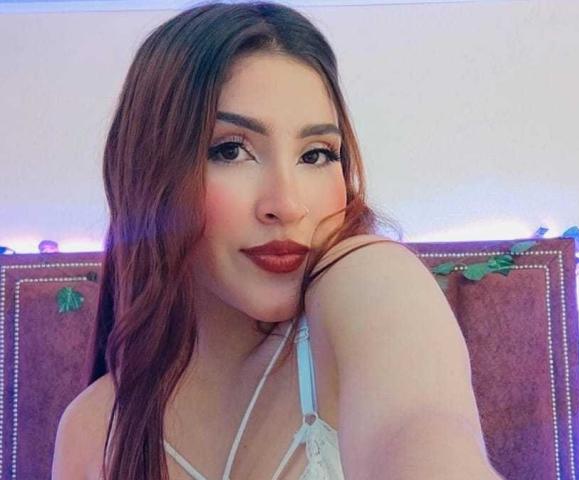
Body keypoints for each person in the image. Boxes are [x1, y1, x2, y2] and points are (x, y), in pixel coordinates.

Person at [52, 2, 503, 479]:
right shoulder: (92, 430)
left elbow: (422, 432)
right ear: (148, 172)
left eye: (316, 154)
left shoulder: (366, 284)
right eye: (231, 150)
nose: (287, 205)